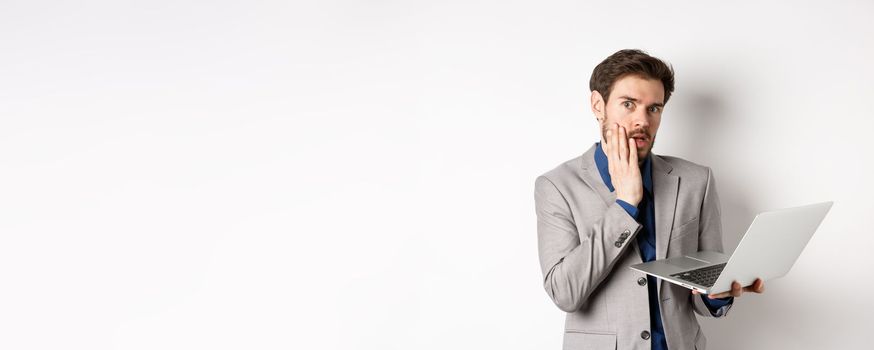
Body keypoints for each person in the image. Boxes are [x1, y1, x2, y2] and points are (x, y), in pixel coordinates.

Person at [534, 49, 764, 350]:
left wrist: (716, 294)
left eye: (654, 109)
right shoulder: (558, 186)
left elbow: (708, 282)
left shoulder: (697, 181)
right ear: (598, 105)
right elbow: (565, 293)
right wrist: (625, 204)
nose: (642, 120)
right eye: (628, 104)